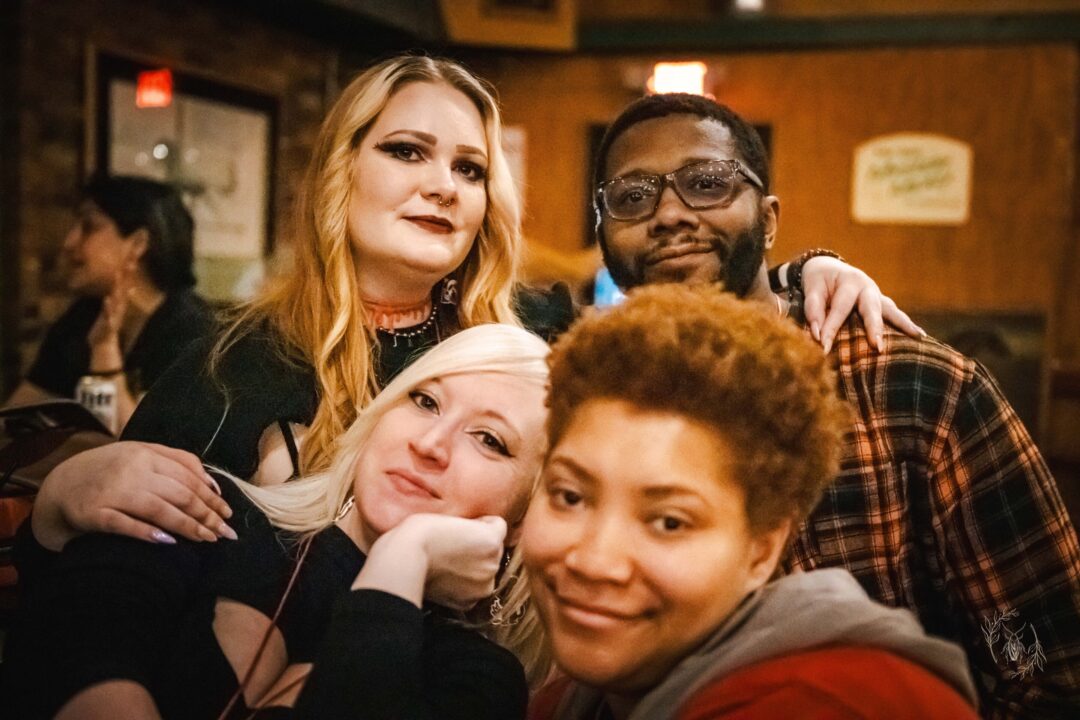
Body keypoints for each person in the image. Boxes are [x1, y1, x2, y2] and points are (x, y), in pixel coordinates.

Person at [23, 54, 912, 548]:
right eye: (407, 152)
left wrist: (801, 275)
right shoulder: (233, 362)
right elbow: (103, 578)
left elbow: (687, 329)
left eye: (471, 168)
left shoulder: (535, 332)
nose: (443, 185)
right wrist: (62, 493)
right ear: (342, 170)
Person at [588, 92, 1080, 718]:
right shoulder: (602, 402)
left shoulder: (912, 388)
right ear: (604, 236)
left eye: (706, 184)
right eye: (632, 197)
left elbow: (1051, 670)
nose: (667, 214)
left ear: (768, 220)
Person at [3, 323, 550, 720]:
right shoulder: (203, 505)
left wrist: (402, 558)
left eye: (489, 439)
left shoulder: (479, 678)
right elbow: (69, 663)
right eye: (426, 401)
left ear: (527, 515)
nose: (430, 443)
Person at [524, 284, 979, 720]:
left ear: (763, 550)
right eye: (569, 497)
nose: (594, 562)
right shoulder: (566, 701)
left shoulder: (834, 703)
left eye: (669, 523)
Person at [4, 174, 214, 431]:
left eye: (88, 226)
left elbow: (146, 442)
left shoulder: (193, 330)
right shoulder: (84, 315)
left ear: (138, 244)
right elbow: (14, 416)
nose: (69, 243)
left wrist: (104, 352)